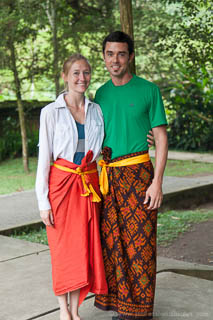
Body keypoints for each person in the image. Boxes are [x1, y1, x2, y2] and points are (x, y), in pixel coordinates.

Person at [94, 31, 168, 320]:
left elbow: (161, 138)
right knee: (114, 245)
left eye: (121, 54)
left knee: (142, 246)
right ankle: (122, 308)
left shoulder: (149, 90)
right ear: (104, 57)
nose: (115, 60)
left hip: (140, 177)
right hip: (109, 179)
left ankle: (141, 311)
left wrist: (157, 183)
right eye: (110, 54)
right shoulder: (100, 93)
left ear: (131, 56)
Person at [35, 53, 108, 320]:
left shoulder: (97, 110)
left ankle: (75, 311)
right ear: (65, 76)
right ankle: (63, 311)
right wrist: (43, 202)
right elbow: (44, 160)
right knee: (63, 249)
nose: (82, 78)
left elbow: (105, 146)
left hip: (87, 185)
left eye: (86, 72)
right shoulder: (50, 112)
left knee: (83, 248)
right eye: (76, 73)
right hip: (61, 187)